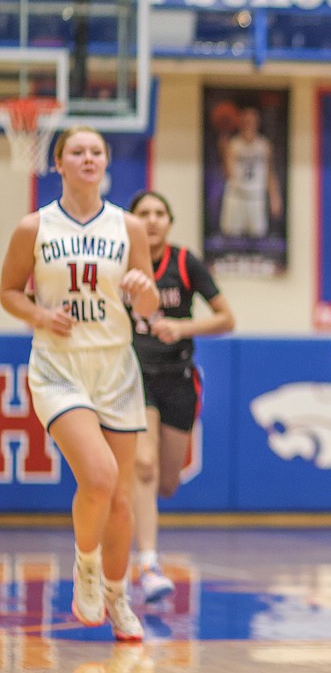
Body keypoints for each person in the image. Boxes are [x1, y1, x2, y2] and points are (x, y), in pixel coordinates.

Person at [0, 126, 159, 641]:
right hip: (59, 367)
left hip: (116, 368)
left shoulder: (129, 226)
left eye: (96, 151)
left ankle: (118, 599)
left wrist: (142, 289)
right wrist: (41, 315)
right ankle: (85, 566)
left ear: (106, 162)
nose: (87, 158)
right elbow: (7, 292)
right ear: (60, 163)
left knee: (119, 500)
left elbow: (150, 304)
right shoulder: (34, 226)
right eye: (77, 151)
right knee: (97, 476)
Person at [126, 190, 236, 603]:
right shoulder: (119, 262)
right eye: (143, 214)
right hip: (132, 375)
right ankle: (149, 563)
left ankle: (134, 513)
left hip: (178, 377)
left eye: (159, 213)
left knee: (166, 482)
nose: (152, 220)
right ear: (132, 222)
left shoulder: (185, 262)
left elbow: (227, 317)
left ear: (169, 222)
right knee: (145, 465)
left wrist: (181, 327)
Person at [218, 107, 281, 239]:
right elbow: (228, 174)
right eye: (245, 121)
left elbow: (270, 173)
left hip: (256, 196)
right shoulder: (233, 144)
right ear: (240, 123)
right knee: (232, 237)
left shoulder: (264, 145)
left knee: (258, 237)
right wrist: (224, 152)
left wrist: (275, 198)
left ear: (257, 123)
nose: (248, 124)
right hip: (236, 195)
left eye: (252, 121)